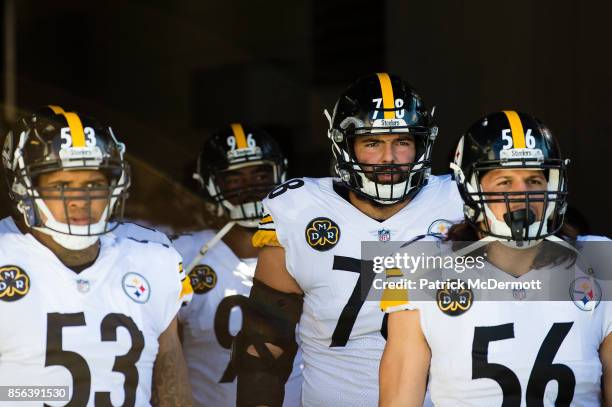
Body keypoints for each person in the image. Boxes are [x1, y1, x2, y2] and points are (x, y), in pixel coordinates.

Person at [234, 73, 463, 406]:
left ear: (422, 144)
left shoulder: (459, 203)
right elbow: (265, 344)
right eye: (372, 143)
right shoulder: (300, 209)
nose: (389, 157)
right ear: (345, 144)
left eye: (402, 141)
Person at [379, 111, 612, 406]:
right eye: (504, 181)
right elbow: (400, 397)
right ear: (470, 188)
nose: (521, 194)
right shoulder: (417, 263)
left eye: (534, 180)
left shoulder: (601, 260)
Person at [0, 106, 193, 407]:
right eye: (62, 186)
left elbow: (172, 391)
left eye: (94, 185)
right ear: (23, 188)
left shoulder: (152, 256)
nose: (80, 201)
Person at [172, 123, 303, 406]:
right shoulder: (180, 255)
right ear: (209, 185)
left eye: (260, 174)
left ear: (279, 174)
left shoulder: (310, 249)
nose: (251, 188)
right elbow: (163, 354)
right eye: (234, 179)